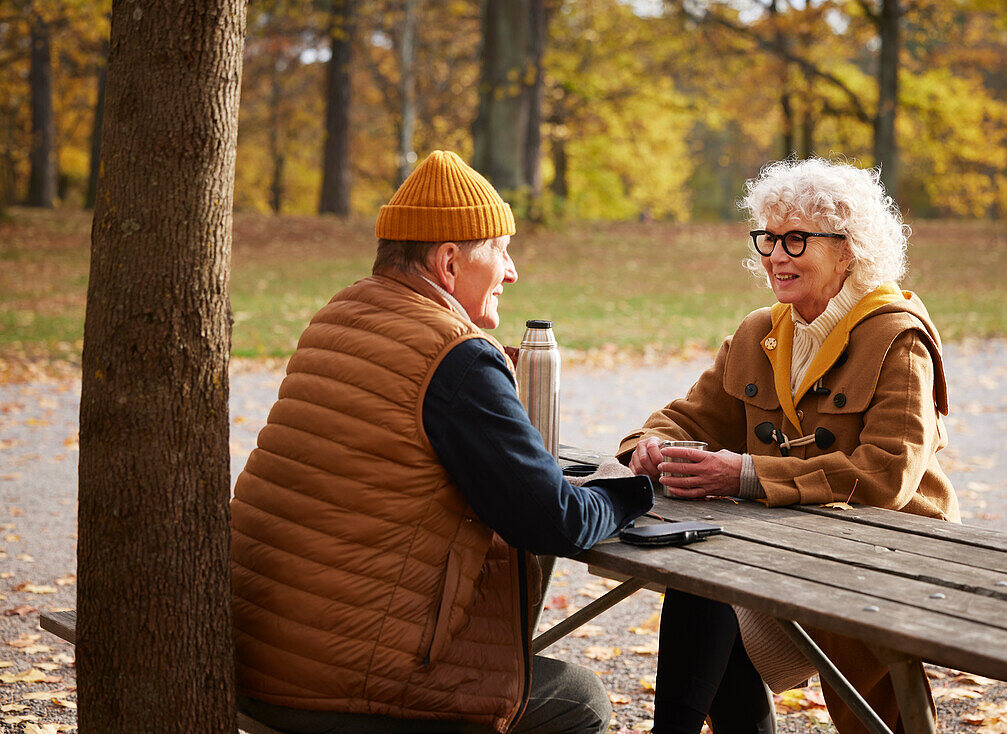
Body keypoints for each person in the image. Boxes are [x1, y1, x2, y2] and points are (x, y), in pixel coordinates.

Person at [230, 150, 653, 734]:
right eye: (501, 250)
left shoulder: (342, 315)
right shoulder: (453, 355)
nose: (512, 271)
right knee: (582, 699)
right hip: (348, 691)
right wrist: (631, 487)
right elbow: (554, 521)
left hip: (257, 659)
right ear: (449, 262)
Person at [619, 157, 960, 734]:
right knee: (701, 581)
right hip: (786, 554)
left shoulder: (897, 338)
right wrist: (650, 446)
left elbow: (886, 476)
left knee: (877, 712)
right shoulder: (760, 332)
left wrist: (746, 475)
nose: (775, 255)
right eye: (769, 238)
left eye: (797, 239)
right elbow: (684, 418)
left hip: (886, 561)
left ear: (847, 248)